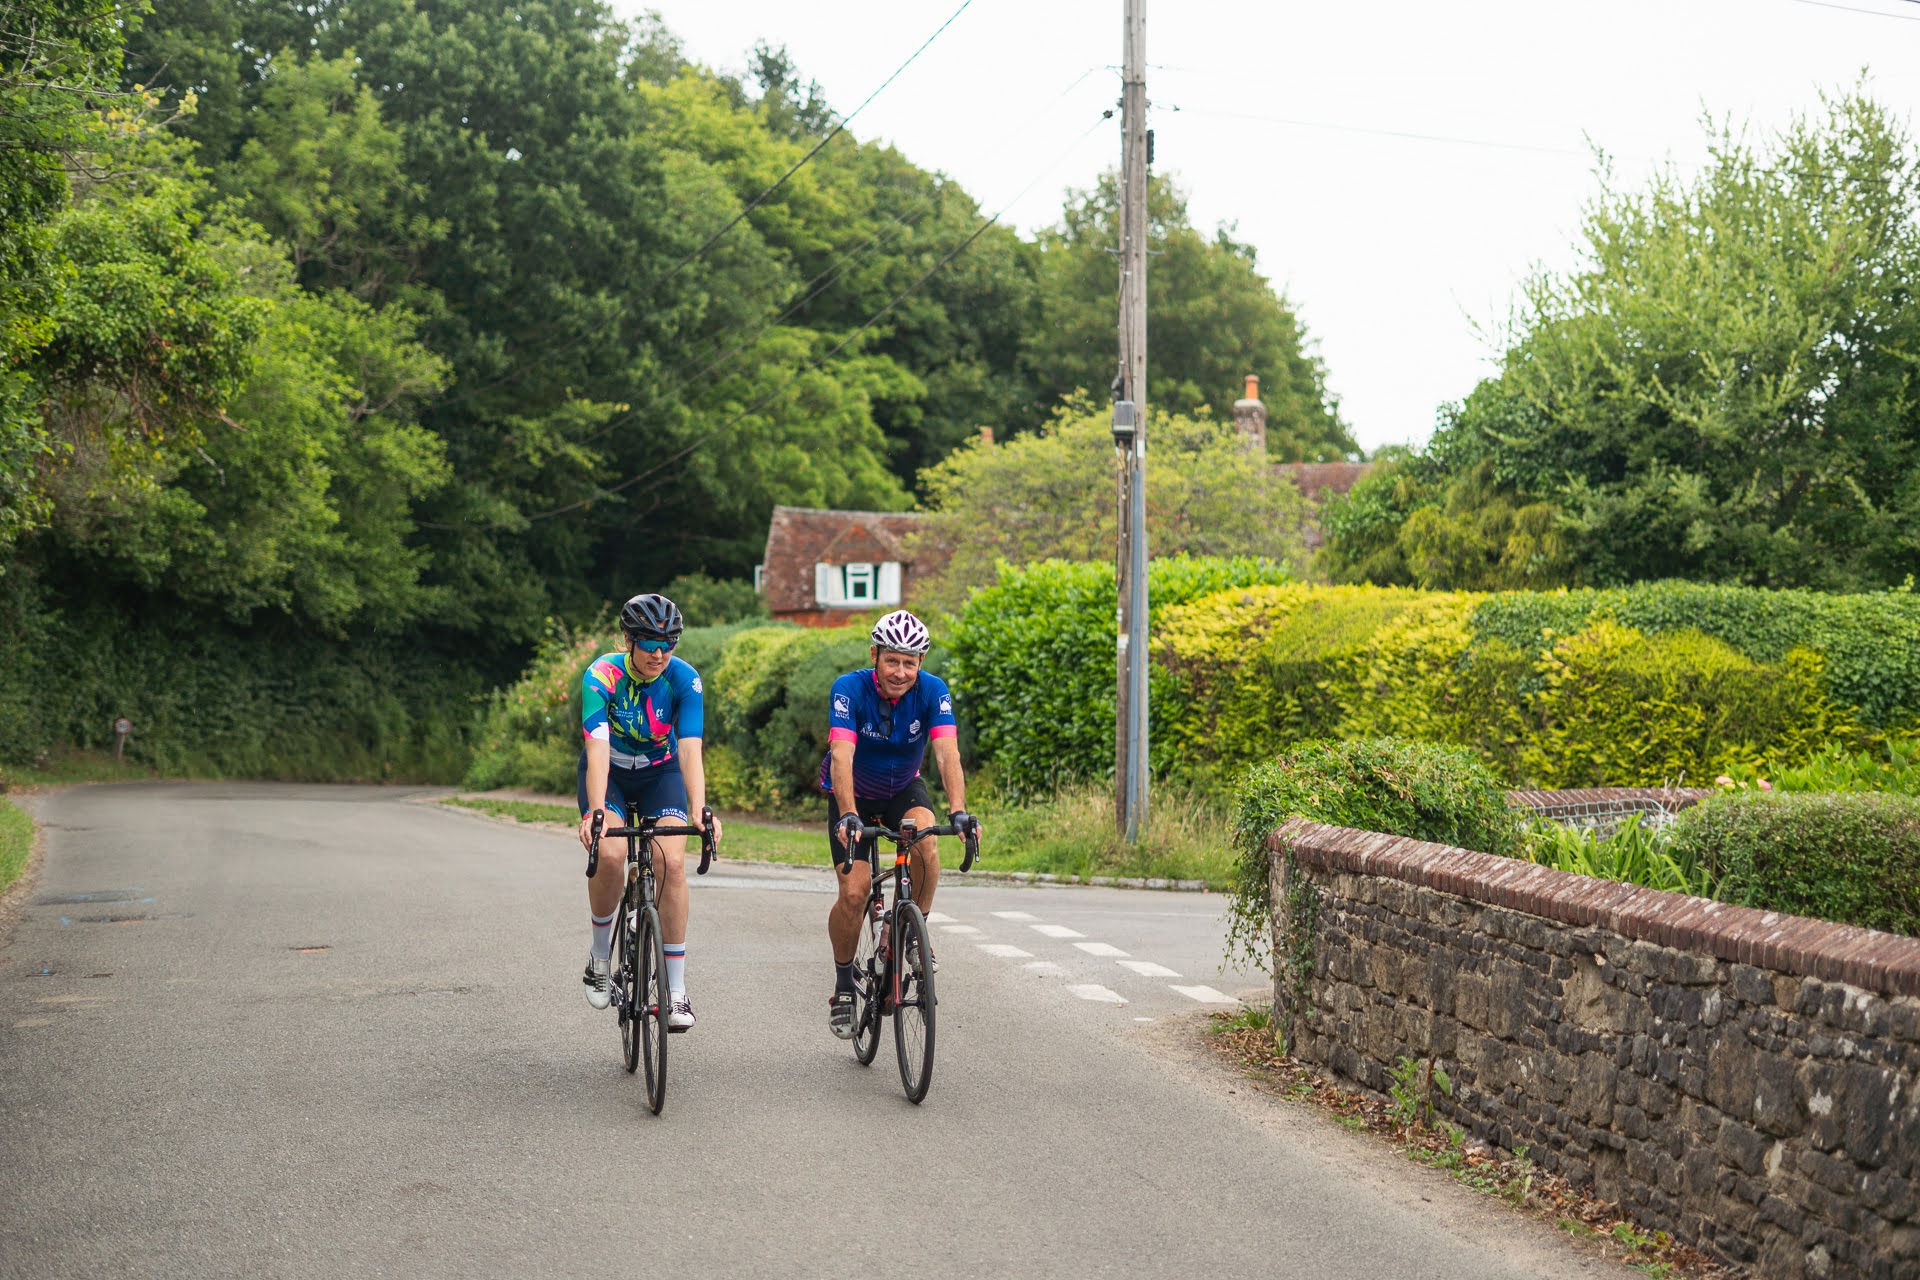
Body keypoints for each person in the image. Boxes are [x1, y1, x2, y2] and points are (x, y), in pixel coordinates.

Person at [821, 609, 979, 1039]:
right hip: (852, 794)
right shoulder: (848, 689)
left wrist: (958, 811)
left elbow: (947, 752)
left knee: (926, 839)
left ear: (921, 663)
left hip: (903, 789)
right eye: (892, 660)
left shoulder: (933, 690)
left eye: (910, 663)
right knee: (855, 893)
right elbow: (841, 755)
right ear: (874, 655)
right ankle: (843, 986)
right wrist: (849, 813)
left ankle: (912, 930)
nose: (900, 672)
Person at [575, 593, 719, 1031]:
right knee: (611, 854)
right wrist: (596, 812)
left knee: (671, 864)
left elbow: (690, 750)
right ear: (628, 640)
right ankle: (600, 956)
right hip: (611, 774)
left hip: (661, 774)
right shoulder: (602, 675)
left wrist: (700, 810)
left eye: (668, 644)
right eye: (650, 644)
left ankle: (676, 990)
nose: (659, 654)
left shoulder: (684, 679)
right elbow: (597, 748)